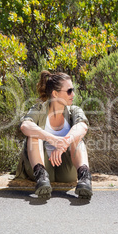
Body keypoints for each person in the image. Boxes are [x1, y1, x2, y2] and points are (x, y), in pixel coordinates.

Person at [16, 71, 92, 199]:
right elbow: (25, 126)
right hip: (42, 166)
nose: (73, 94)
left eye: (73, 90)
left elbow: (83, 126)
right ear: (55, 93)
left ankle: (84, 177)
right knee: (34, 134)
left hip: (66, 170)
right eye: (69, 91)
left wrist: (65, 141)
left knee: (77, 137)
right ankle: (41, 175)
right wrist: (53, 139)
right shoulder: (39, 109)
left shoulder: (74, 110)